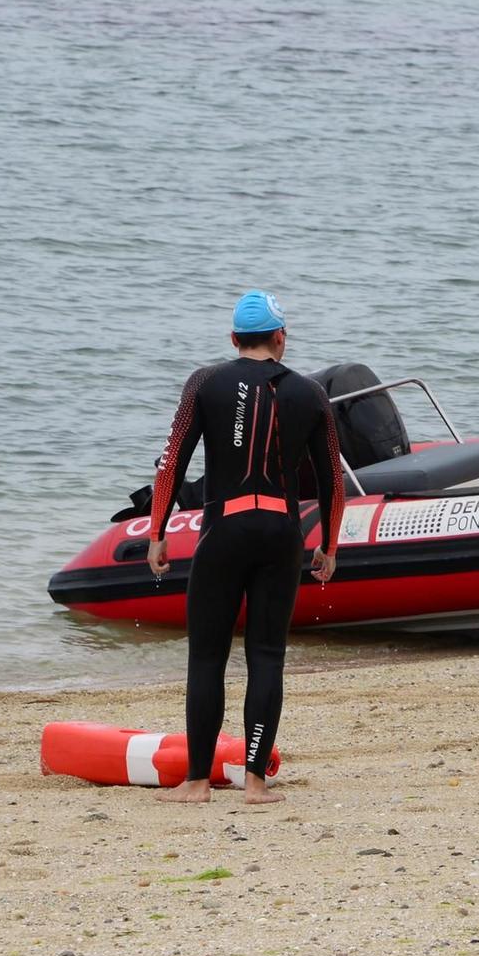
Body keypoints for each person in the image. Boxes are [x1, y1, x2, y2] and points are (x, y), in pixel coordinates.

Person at [145, 291, 345, 805]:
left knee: (207, 658)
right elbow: (332, 483)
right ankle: (255, 781)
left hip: (223, 534)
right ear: (281, 337)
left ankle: (196, 782)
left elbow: (171, 463)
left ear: (233, 339)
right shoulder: (310, 393)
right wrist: (329, 544)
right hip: (282, 535)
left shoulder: (204, 383)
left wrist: (156, 532)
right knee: (266, 655)